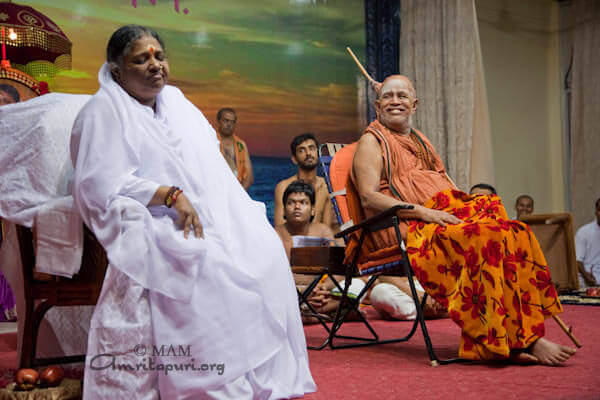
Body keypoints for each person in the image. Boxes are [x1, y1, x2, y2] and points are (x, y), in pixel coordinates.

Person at [70, 25, 315, 399]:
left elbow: (212, 172)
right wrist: (167, 194)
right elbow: (98, 183)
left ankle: (252, 376)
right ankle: (214, 381)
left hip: (206, 211)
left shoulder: (178, 102)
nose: (155, 66)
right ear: (117, 70)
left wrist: (225, 214)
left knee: (263, 249)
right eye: (141, 59)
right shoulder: (103, 111)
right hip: (154, 217)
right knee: (210, 265)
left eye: (159, 56)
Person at [346, 74, 576, 365]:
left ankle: (519, 336)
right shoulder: (371, 141)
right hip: (405, 226)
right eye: (388, 97)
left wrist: (465, 210)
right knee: (485, 238)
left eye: (401, 96)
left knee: (516, 231)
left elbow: (447, 186)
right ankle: (510, 342)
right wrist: (425, 213)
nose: (395, 101)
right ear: (377, 106)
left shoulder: (420, 141)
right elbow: (369, 197)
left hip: (435, 218)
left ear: (414, 104)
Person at [274, 133, 333, 228]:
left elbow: (326, 228)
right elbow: (279, 228)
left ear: (318, 154)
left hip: (317, 240)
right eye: (301, 150)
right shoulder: (284, 187)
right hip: (291, 240)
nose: (308, 153)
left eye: (312, 148)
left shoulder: (326, 186)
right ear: (294, 159)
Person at [215, 107, 254, 190]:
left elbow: (249, 177)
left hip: (238, 191)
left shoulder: (241, 145)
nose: (229, 125)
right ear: (218, 121)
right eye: (226, 121)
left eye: (232, 122)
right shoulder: (211, 140)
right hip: (215, 189)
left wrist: (239, 195)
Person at [575, 197, 600, 288]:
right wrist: (587, 277)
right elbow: (577, 261)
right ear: (596, 212)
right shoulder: (584, 232)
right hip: (588, 284)